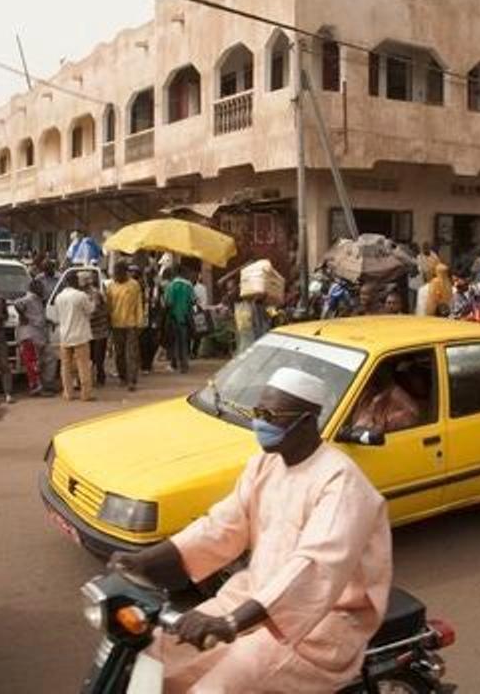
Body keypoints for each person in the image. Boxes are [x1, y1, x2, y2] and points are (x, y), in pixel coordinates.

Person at [111, 367, 392, 693]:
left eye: (270, 415)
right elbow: (221, 526)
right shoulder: (265, 464)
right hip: (252, 594)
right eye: (257, 412)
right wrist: (142, 561)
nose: (260, 423)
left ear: (307, 420)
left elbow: (313, 569)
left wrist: (231, 623)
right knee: (155, 654)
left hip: (319, 626)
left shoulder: (340, 482)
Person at [53, 275, 95, 401]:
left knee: (65, 367)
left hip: (65, 336)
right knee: (83, 366)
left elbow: (57, 316)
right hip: (80, 335)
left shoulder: (59, 297)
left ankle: (68, 393)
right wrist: (94, 301)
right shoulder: (81, 296)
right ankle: (85, 394)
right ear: (76, 282)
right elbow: (90, 310)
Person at [106, 261, 144, 391]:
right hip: (116, 325)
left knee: (131, 353)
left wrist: (140, 322)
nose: (116, 276)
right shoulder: (110, 286)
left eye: (118, 273)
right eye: (115, 274)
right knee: (119, 354)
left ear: (125, 272)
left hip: (131, 324)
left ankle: (132, 380)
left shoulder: (134, 285)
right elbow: (108, 306)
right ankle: (122, 377)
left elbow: (139, 305)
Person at [351, 364, 421, 435]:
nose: (369, 381)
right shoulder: (367, 393)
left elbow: (379, 433)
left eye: (375, 375)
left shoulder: (397, 399)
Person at [13, 278, 47, 397]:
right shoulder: (30, 298)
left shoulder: (37, 299)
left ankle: (36, 386)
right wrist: (22, 315)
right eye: (41, 287)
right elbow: (17, 303)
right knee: (33, 364)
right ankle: (35, 387)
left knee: (34, 363)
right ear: (34, 288)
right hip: (29, 335)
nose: (43, 289)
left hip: (35, 335)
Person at [165, 266, 196, 373]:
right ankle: (184, 365)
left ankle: (174, 364)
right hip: (186, 318)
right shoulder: (189, 285)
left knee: (174, 342)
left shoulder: (171, 285)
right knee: (184, 342)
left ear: (174, 273)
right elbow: (193, 300)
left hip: (173, 317)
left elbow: (168, 302)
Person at [87, 275, 110, 387]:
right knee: (93, 357)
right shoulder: (89, 294)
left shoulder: (95, 294)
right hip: (92, 332)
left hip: (99, 331)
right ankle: (96, 378)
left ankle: (100, 378)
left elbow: (94, 311)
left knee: (98, 358)